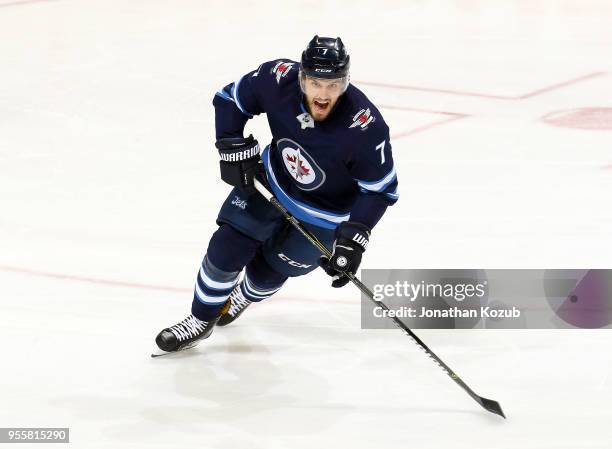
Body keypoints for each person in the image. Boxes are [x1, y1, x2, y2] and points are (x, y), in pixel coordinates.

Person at [155, 35, 399, 353]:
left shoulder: (365, 127)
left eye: (333, 85)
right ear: (301, 77)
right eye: (315, 83)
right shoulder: (277, 79)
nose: (323, 94)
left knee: (268, 272)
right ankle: (200, 321)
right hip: (270, 182)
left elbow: (380, 191)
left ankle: (244, 295)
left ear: (345, 82)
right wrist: (230, 145)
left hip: (323, 217)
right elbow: (230, 99)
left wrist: (353, 238)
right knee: (226, 249)